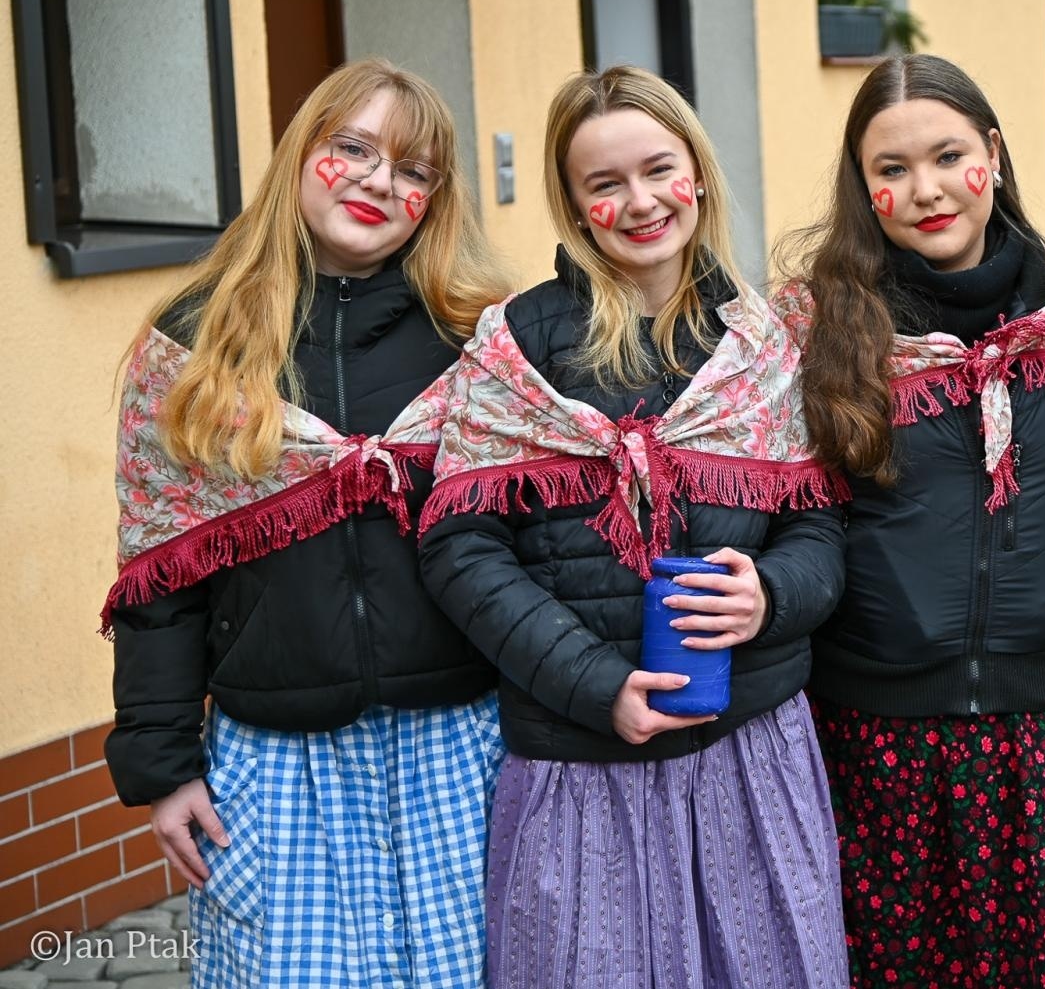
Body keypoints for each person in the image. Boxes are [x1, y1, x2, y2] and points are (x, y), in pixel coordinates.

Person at [417, 65, 850, 989]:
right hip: (582, 765)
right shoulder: (519, 347)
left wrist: (770, 595)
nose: (641, 201)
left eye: (659, 168)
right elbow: (459, 544)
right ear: (573, 205)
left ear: (696, 170)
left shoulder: (762, 342)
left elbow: (818, 526)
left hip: (751, 753)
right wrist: (595, 683)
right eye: (604, 183)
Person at [103, 58, 513, 988]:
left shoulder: (482, 338)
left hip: (462, 748)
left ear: (434, 201)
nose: (380, 181)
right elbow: (159, 573)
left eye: (415, 169)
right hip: (278, 763)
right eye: (353, 148)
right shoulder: (196, 348)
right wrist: (165, 765)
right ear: (301, 155)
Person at [774, 53, 1045, 988]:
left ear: (995, 156)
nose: (924, 189)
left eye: (947, 155)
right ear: (864, 187)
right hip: (877, 738)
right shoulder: (814, 329)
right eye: (890, 169)